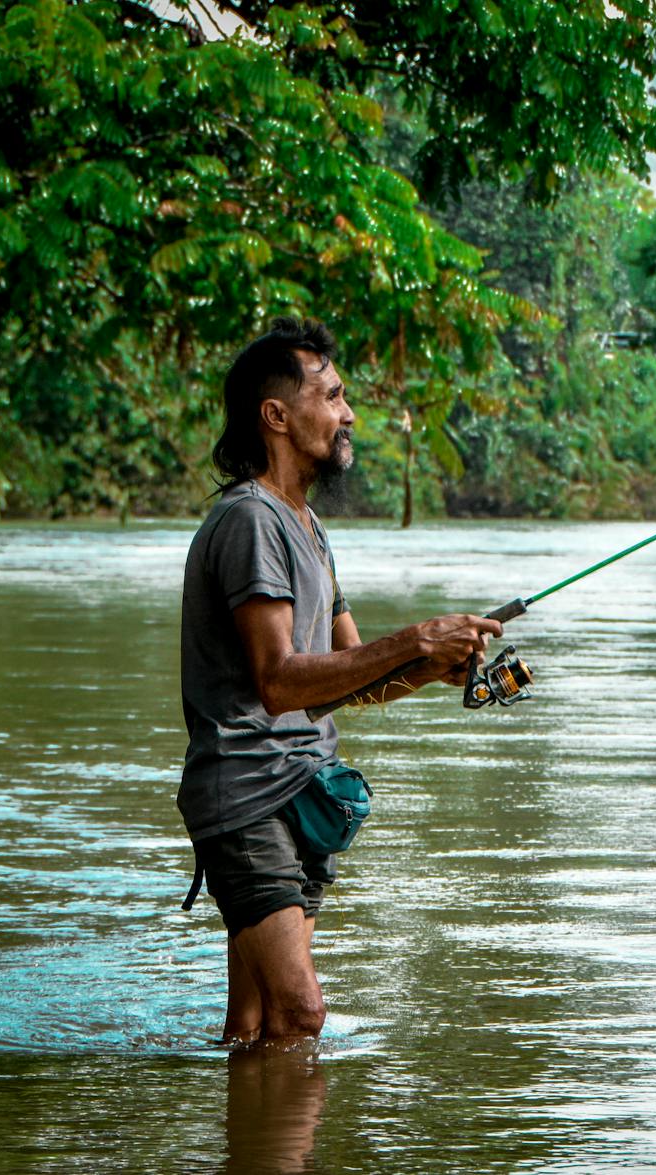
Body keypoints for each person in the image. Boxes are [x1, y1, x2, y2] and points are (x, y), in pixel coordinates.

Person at [178, 318, 501, 1047]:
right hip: (248, 793)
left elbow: (356, 675)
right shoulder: (251, 520)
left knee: (256, 1023)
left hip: (306, 790)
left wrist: (432, 664)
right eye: (332, 395)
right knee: (302, 1014)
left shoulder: (308, 525)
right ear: (278, 416)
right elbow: (280, 681)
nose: (348, 412)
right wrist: (415, 637)